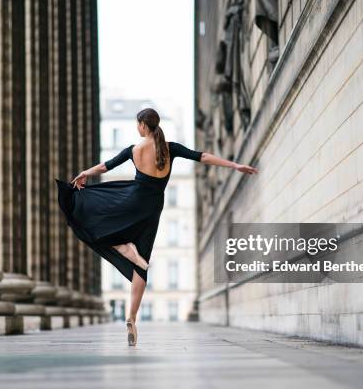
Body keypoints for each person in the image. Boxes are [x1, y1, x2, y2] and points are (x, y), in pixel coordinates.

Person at [55, 108, 258, 346]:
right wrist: (235, 166)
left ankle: (122, 247)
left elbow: (105, 166)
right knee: (141, 266)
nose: (136, 128)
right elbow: (202, 156)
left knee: (98, 221)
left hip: (131, 200)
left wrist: (84, 173)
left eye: (137, 124)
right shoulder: (170, 148)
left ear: (143, 125)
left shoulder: (134, 150)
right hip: (152, 209)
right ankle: (132, 317)